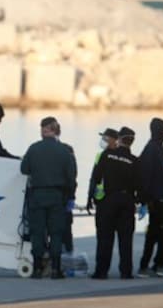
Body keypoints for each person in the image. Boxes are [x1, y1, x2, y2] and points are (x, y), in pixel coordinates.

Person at [20, 117, 77, 279]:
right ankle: (56, 269)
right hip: (57, 197)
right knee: (56, 233)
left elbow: (24, 169)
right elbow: (71, 178)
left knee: (37, 232)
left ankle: (37, 268)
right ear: (55, 130)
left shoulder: (33, 149)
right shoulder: (65, 151)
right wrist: (70, 197)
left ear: (44, 130)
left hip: (37, 196)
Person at [89, 126, 141, 279]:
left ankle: (101, 271)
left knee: (105, 237)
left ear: (119, 139)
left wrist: (92, 198)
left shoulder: (107, 155)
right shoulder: (135, 161)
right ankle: (126, 272)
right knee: (126, 239)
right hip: (127, 201)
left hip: (108, 201)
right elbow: (139, 184)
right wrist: (139, 201)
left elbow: (96, 177)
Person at [138, 118, 163, 278]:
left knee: (155, 231)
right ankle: (157, 264)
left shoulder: (156, 147)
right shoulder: (152, 149)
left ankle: (150, 264)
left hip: (159, 197)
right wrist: (146, 200)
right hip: (157, 199)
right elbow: (146, 176)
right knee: (162, 230)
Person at [56, 122, 78, 255]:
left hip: (54, 196)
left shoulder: (41, 149)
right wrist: (71, 196)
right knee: (66, 230)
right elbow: (73, 176)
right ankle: (67, 258)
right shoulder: (68, 150)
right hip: (64, 196)